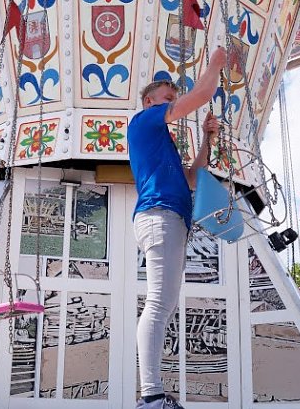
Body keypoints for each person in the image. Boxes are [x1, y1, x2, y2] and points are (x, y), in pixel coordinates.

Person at [128, 46, 227, 409]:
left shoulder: (161, 141)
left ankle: (153, 393)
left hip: (168, 217)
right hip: (161, 216)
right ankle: (151, 395)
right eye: (166, 95)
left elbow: (193, 179)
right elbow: (201, 94)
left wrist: (206, 141)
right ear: (149, 101)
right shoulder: (145, 121)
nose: (172, 97)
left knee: (163, 304)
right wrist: (216, 64)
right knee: (159, 303)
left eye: (172, 94)